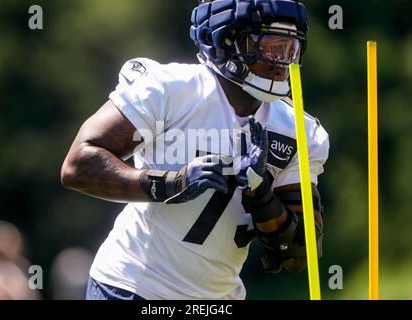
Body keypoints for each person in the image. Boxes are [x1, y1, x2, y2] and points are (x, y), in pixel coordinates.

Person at [61, 0, 329, 300]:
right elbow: (79, 165)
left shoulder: (297, 131)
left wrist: (261, 194)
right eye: (271, 46)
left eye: (290, 48)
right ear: (228, 41)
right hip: (132, 286)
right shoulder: (172, 90)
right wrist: (173, 183)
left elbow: (298, 254)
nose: (282, 61)